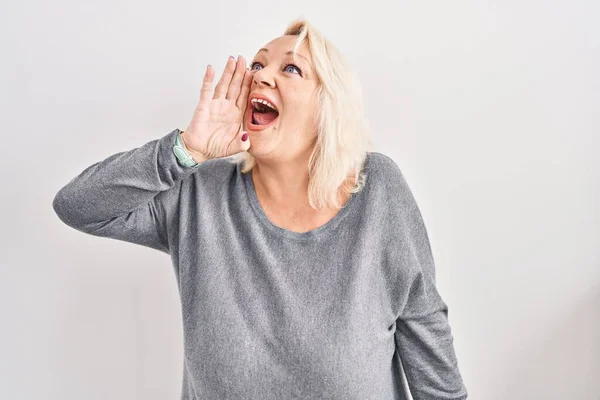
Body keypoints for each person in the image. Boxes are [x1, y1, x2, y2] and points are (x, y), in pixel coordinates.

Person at [52, 18, 468, 400]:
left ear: (328, 107)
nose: (259, 76)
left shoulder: (376, 189)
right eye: (257, 65)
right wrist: (186, 150)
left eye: (291, 69)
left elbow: (428, 342)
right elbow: (78, 206)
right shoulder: (200, 193)